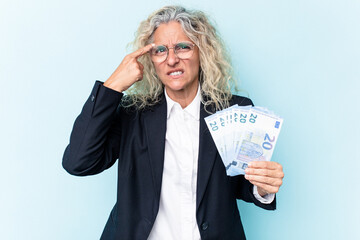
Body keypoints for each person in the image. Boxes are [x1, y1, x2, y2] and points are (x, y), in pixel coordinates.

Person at [62, 5, 284, 240]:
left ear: (202, 51)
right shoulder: (132, 114)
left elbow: (244, 182)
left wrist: (262, 187)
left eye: (183, 47)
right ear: (151, 60)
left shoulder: (233, 111)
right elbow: (78, 162)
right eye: (160, 50)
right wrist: (113, 86)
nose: (171, 59)